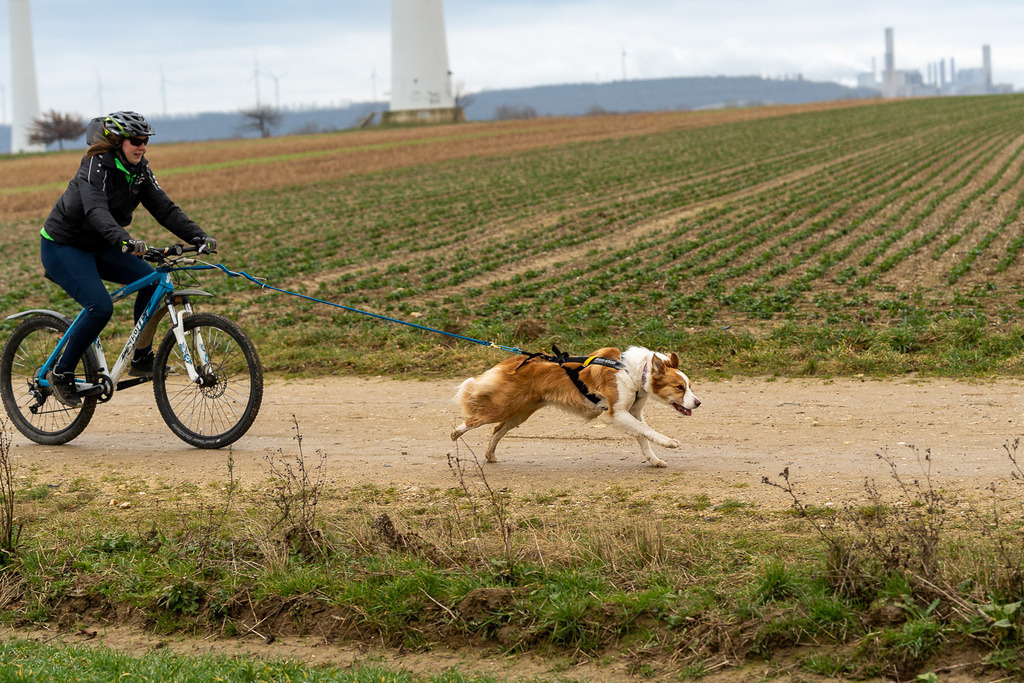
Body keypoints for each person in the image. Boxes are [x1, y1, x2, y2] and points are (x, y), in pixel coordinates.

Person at [40, 110, 217, 407]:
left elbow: (164, 208)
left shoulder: (139, 169)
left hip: (103, 244)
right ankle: (62, 373)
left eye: (145, 140)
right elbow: (96, 211)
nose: (142, 146)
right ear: (118, 141)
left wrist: (197, 235)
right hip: (64, 246)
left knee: (150, 283)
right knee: (99, 307)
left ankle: (141, 357)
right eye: (136, 140)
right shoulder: (94, 167)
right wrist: (124, 240)